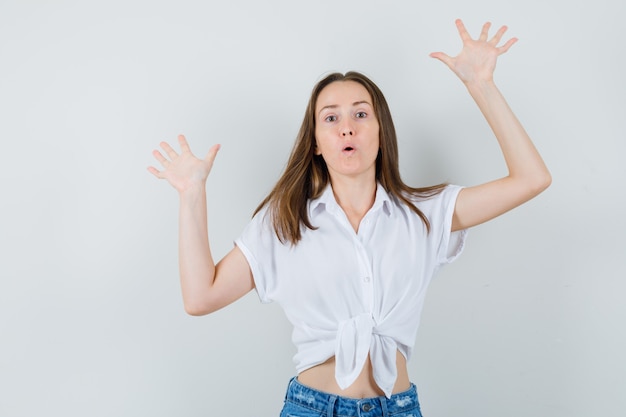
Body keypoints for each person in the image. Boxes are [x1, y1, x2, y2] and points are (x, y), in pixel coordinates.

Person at [148, 19, 551, 417]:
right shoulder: (286, 221)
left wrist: (481, 85)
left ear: (381, 131)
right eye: (331, 118)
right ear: (317, 144)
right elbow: (201, 297)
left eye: (361, 115)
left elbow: (532, 179)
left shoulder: (424, 213)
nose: (346, 129)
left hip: (398, 408)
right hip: (312, 408)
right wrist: (192, 195)